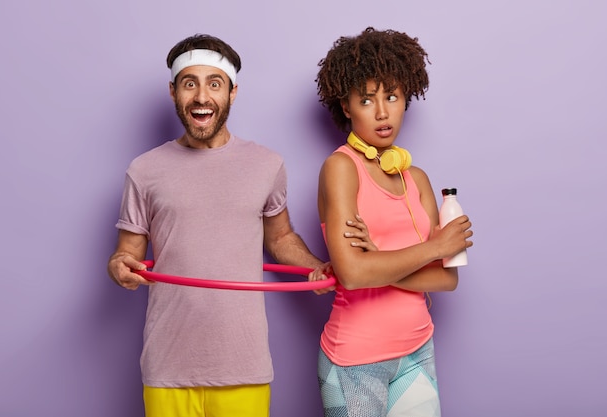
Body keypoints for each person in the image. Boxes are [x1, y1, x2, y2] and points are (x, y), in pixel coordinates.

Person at [107, 34, 337, 417]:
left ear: (232, 92)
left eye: (214, 84)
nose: (201, 97)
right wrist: (120, 267)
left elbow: (280, 237)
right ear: (173, 91)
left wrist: (315, 266)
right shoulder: (143, 170)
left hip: (242, 363)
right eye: (189, 83)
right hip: (168, 365)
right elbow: (127, 254)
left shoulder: (267, 165)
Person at [312, 27, 474, 416]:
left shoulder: (415, 178)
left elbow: (446, 278)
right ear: (347, 106)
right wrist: (434, 248)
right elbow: (352, 275)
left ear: (405, 99)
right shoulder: (340, 169)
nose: (382, 112)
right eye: (367, 100)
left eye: (392, 96)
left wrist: (379, 261)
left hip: (418, 349)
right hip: (356, 360)